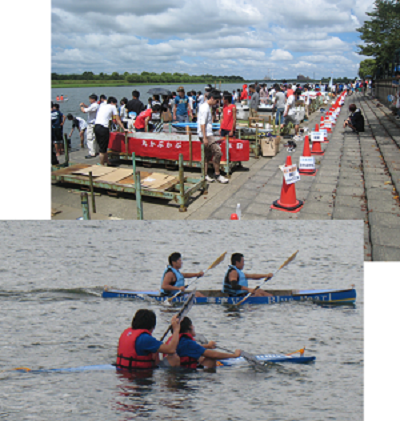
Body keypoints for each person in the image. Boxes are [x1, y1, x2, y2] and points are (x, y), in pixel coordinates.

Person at [166, 317, 241, 370]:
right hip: (187, 373)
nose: (193, 326)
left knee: (200, 358)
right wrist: (234, 355)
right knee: (211, 359)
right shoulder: (188, 343)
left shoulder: (175, 340)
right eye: (192, 325)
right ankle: (209, 380)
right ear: (189, 328)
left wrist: (207, 346)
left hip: (179, 369)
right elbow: (213, 354)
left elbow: (192, 348)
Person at [116, 309, 181, 370]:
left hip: (123, 370)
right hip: (140, 373)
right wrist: (176, 330)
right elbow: (171, 349)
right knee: (174, 359)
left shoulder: (127, 333)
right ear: (152, 326)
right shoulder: (145, 339)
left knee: (155, 353)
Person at [197, 90, 229, 184]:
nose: (217, 103)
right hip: (206, 134)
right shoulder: (205, 108)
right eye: (216, 101)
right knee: (218, 152)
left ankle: (205, 174)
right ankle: (217, 174)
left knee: (207, 155)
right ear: (212, 98)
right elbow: (202, 124)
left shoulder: (207, 106)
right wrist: (205, 137)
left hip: (207, 133)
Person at [94, 96, 128, 166]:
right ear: (112, 103)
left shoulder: (102, 106)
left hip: (96, 126)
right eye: (115, 103)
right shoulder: (113, 107)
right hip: (103, 128)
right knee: (102, 149)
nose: (116, 105)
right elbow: (117, 119)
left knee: (104, 146)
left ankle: (107, 161)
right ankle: (102, 164)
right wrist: (123, 128)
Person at [80, 94, 100, 159]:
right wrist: (85, 105)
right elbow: (89, 108)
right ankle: (96, 151)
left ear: (93, 99)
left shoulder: (94, 105)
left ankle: (92, 153)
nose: (89, 100)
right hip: (95, 123)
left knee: (90, 138)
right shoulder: (96, 105)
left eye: (90, 99)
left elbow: (84, 111)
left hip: (92, 124)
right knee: (95, 138)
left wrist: (81, 106)